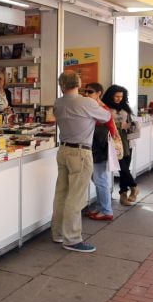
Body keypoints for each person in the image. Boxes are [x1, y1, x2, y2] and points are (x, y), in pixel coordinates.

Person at [50, 70, 110, 253]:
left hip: (63, 150)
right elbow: (107, 116)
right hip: (81, 152)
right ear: (78, 84)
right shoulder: (86, 102)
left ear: (62, 85)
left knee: (61, 194)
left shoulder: (58, 102)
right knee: (76, 197)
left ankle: (58, 233)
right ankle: (72, 238)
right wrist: (97, 100)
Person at [83, 83, 118, 222]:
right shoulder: (95, 107)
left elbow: (112, 129)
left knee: (100, 178)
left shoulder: (101, 108)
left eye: (90, 91)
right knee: (97, 178)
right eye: (85, 91)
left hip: (100, 146)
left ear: (99, 93)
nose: (86, 94)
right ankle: (100, 206)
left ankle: (106, 210)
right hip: (95, 146)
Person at [103, 84, 138, 205]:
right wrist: (118, 126)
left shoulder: (125, 107)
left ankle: (123, 194)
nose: (119, 99)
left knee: (125, 168)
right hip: (114, 141)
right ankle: (134, 187)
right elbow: (103, 124)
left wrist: (129, 125)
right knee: (122, 166)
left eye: (121, 96)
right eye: (116, 96)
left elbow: (131, 122)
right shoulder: (105, 107)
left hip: (127, 140)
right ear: (110, 96)